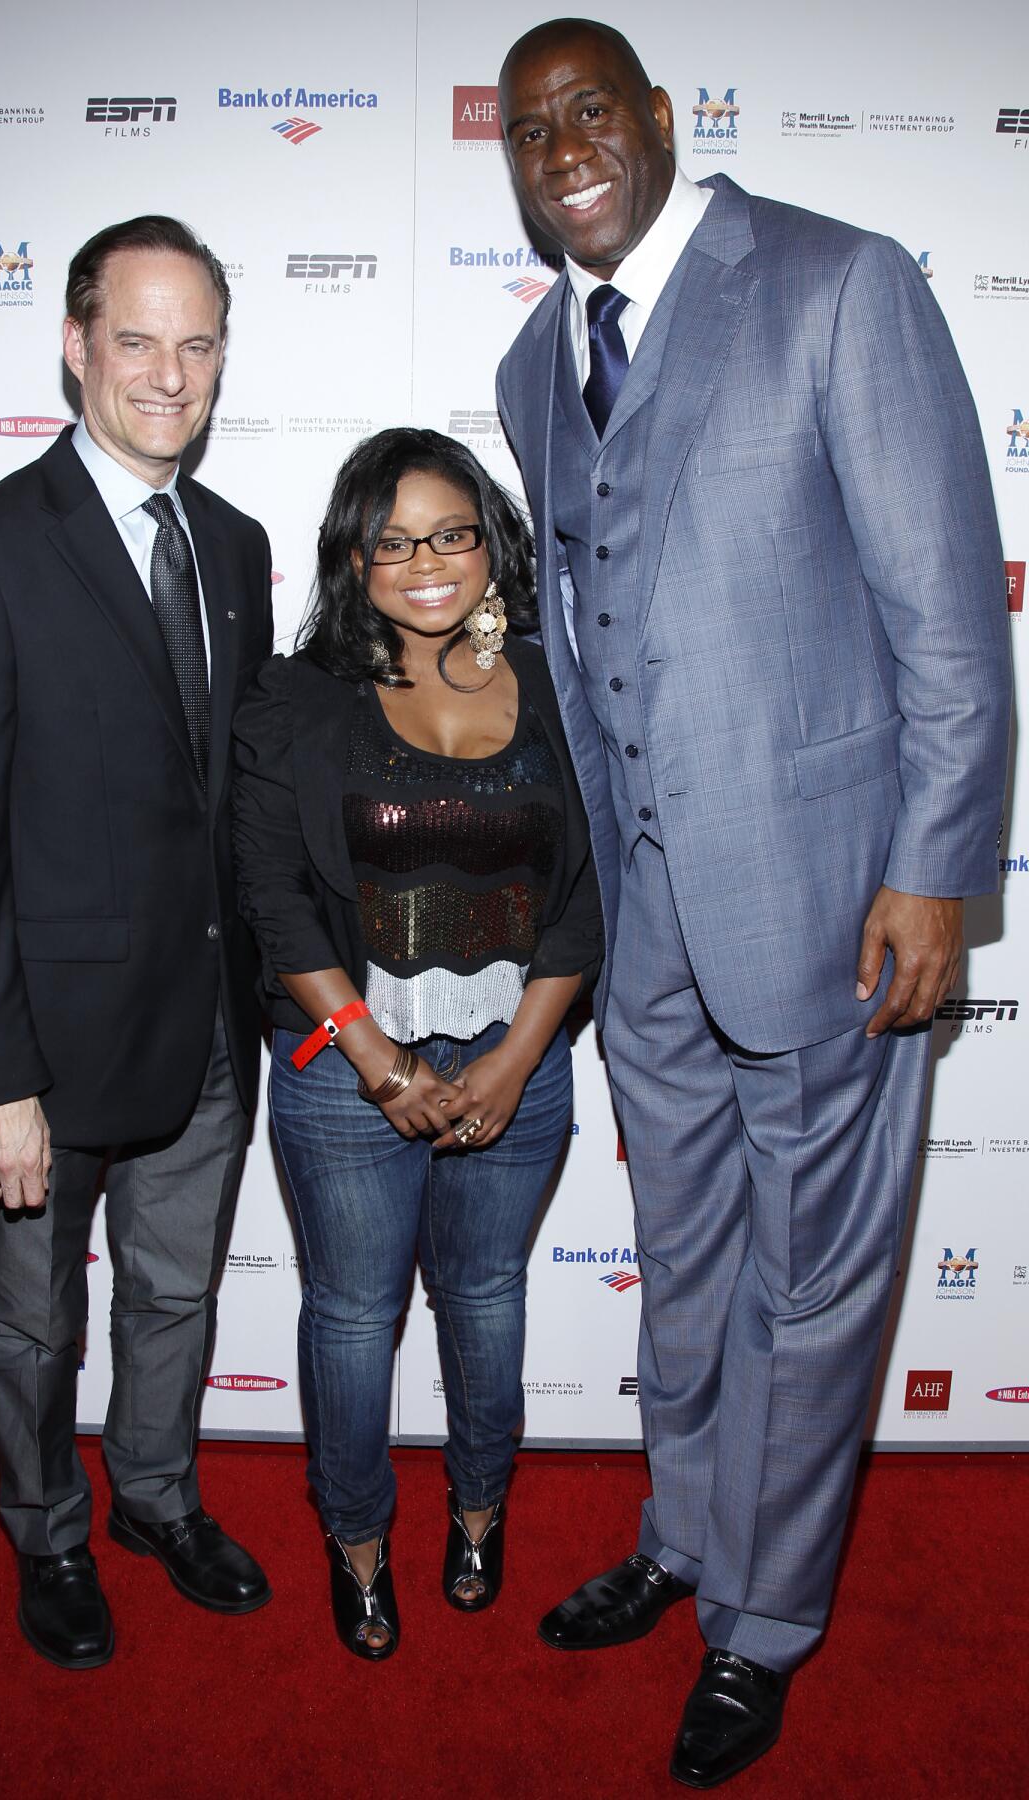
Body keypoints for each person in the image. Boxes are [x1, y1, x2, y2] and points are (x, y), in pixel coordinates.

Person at [496, 18, 1011, 1787]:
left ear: (658, 118)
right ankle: (686, 1539)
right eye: (527, 126)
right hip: (649, 930)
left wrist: (938, 872)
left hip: (832, 916)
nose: (562, 144)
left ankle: (767, 1621)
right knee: (690, 1270)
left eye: (591, 109)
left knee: (813, 1286)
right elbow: (581, 652)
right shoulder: (527, 367)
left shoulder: (835, 284)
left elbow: (950, 614)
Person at [0, 216, 275, 1670]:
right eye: (137, 339)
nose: (169, 374)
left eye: (197, 343)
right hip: (41, 1063)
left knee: (175, 1296)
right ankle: (47, 1530)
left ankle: (155, 1500)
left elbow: (225, 806)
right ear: (74, 345)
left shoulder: (231, 545)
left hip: (203, 1036)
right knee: (34, 1327)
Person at [233, 426, 602, 1660]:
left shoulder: (560, 686)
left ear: (491, 541)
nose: (426, 562)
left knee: (487, 1298)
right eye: (392, 541)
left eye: (450, 532)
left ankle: (481, 1516)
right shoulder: (297, 699)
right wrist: (380, 1063)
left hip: (523, 1052)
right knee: (352, 1314)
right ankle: (355, 1541)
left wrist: (511, 1062)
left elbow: (590, 895)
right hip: (347, 1071)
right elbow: (274, 897)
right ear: (353, 559)